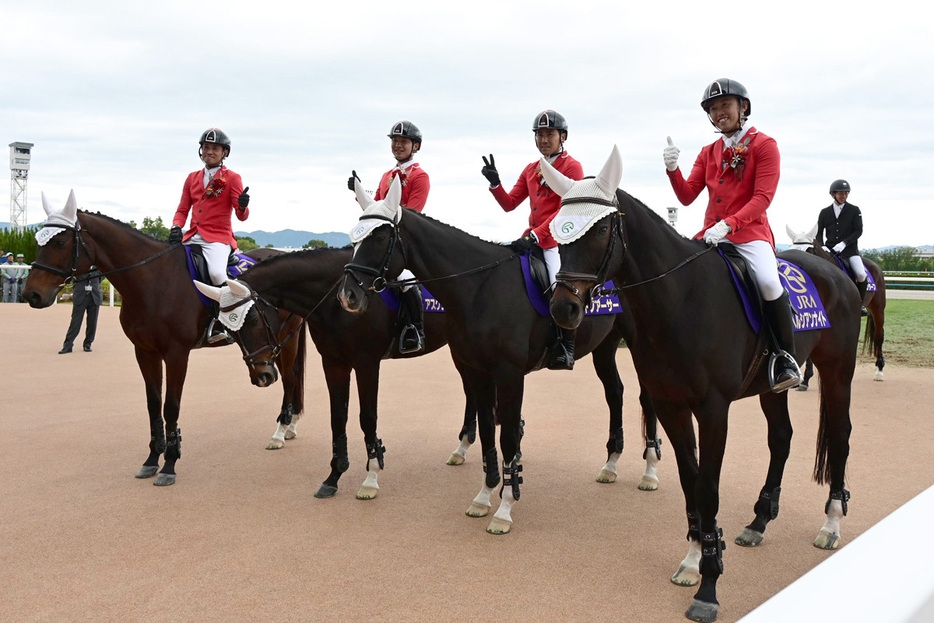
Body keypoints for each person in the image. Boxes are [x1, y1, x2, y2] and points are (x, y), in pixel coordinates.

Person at [663, 79, 801, 392]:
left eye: (725, 105)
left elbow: (763, 197)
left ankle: (784, 357)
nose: (719, 112)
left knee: (767, 281)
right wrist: (673, 170)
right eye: (713, 109)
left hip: (749, 233)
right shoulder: (708, 151)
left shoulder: (765, 145)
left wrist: (730, 224)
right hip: (711, 233)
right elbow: (687, 196)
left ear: (744, 107)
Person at [480, 109, 584, 370]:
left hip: (556, 243)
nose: (544, 139)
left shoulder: (572, 167)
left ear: (563, 137)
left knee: (557, 287)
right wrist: (495, 184)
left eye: (550, 134)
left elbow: (567, 209)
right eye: (539, 135)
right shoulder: (531, 169)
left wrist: (538, 234)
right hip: (530, 240)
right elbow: (510, 204)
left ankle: (564, 345)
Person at [347, 121, 430, 354]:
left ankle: (416, 330)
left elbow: (413, 213)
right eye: (394, 141)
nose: (398, 145)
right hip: (383, 240)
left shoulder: (420, 176)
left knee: (407, 281)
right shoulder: (387, 175)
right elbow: (377, 208)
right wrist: (358, 192)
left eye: (403, 141)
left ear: (416, 146)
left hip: (406, 241)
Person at [170, 128, 250, 343]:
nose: (209, 151)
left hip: (218, 238)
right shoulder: (191, 178)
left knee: (216, 274)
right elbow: (182, 209)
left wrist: (243, 206)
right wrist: (177, 227)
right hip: (192, 236)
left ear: (225, 152)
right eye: (206, 147)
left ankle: (220, 323)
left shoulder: (232, 178)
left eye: (215, 148)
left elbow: (241, 216)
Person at [816, 179, 868, 315]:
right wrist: (822, 247)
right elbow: (819, 232)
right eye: (841, 194)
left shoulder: (854, 210)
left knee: (861, 274)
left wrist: (844, 243)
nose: (844, 196)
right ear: (833, 194)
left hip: (850, 251)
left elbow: (858, 231)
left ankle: (860, 304)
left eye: (846, 193)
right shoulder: (824, 212)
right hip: (830, 250)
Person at [59, 267, 103, 354]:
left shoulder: (98, 266)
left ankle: (88, 344)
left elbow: (101, 277)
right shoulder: (80, 264)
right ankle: (68, 345)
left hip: (94, 296)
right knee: (75, 322)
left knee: (92, 322)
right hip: (80, 295)